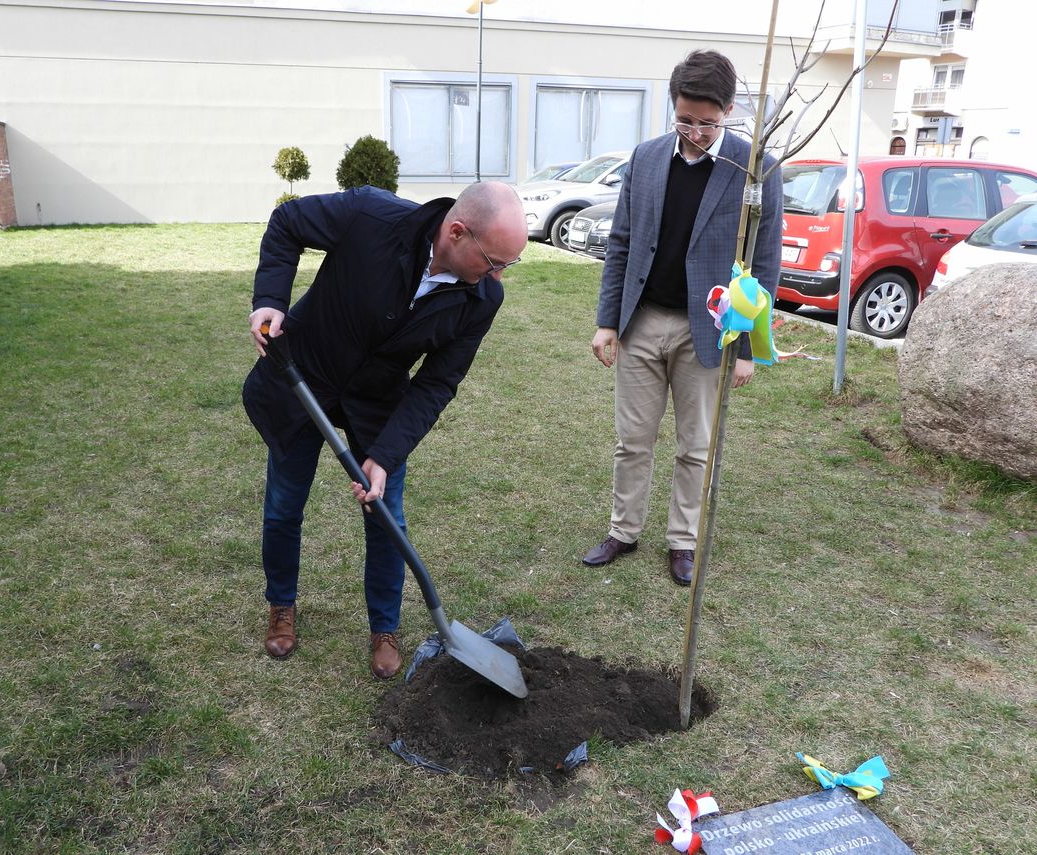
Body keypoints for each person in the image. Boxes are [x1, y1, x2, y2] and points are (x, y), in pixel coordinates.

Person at [242, 181, 528, 680]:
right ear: (457, 232)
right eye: (494, 260)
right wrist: (270, 300)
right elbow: (287, 224)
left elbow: (437, 383)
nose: (499, 274)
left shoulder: (482, 298)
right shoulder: (370, 215)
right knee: (285, 504)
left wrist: (387, 454)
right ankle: (281, 605)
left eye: (508, 264)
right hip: (303, 379)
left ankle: (384, 628)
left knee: (385, 517)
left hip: (378, 408)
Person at [582, 49, 783, 586]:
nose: (694, 132)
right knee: (633, 439)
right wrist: (608, 320)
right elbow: (621, 243)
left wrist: (744, 346)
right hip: (641, 320)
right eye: (685, 120)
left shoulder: (756, 166)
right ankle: (623, 531)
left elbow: (764, 261)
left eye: (707, 123)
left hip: (711, 332)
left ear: (730, 110)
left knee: (695, 446)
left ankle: (683, 541)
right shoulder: (646, 158)